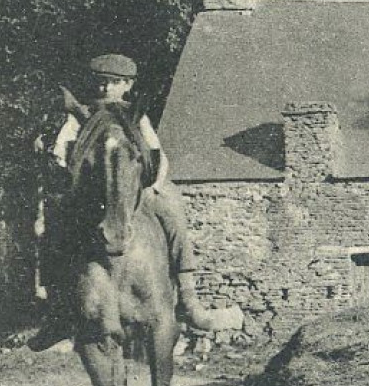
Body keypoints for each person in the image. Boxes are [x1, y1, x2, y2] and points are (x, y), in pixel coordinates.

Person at [28, 53, 229, 350]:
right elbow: (60, 155)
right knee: (48, 229)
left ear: (127, 86)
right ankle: (58, 311)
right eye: (101, 83)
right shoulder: (79, 116)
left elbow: (158, 156)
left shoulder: (136, 116)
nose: (105, 89)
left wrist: (153, 187)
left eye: (113, 83)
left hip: (135, 189)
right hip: (91, 195)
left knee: (173, 211)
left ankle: (188, 299)